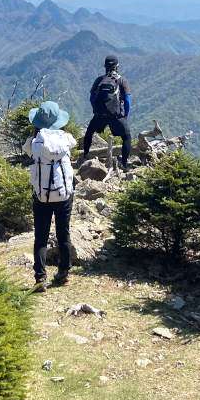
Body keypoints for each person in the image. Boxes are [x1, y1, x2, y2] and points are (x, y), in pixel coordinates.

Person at [22, 100, 77, 293]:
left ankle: (40, 279)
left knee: (41, 237)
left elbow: (27, 151)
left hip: (42, 196)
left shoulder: (34, 142)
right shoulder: (67, 139)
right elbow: (74, 143)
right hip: (64, 195)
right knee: (64, 233)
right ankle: (64, 273)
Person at [81, 54, 132, 168]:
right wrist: (125, 115)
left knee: (89, 132)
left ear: (105, 66)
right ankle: (124, 164)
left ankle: (85, 155)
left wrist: (96, 109)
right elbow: (127, 100)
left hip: (100, 114)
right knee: (127, 137)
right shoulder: (121, 80)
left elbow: (91, 97)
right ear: (117, 66)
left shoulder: (99, 80)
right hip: (115, 115)